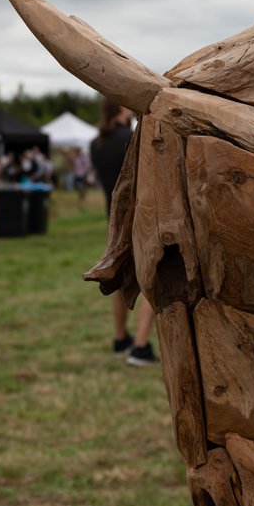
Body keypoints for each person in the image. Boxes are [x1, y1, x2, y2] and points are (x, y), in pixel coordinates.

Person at [90, 98, 158, 367]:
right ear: (120, 108)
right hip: (140, 214)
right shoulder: (131, 138)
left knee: (119, 278)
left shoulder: (97, 143)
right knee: (155, 278)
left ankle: (120, 340)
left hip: (114, 217)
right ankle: (140, 347)